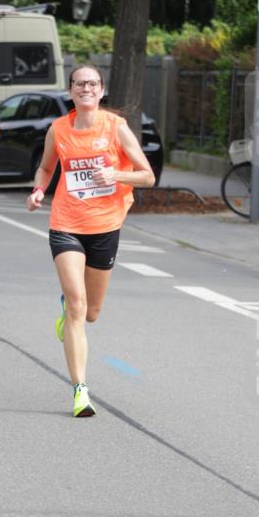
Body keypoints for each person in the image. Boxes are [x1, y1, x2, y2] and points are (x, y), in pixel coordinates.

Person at [26, 64, 155, 417]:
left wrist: (114, 173)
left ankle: (68, 314)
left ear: (101, 92)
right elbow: (47, 167)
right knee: (78, 303)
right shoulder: (59, 129)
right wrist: (39, 190)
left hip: (105, 226)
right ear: (71, 91)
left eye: (93, 84)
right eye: (80, 83)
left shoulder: (116, 128)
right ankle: (80, 390)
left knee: (91, 313)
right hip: (66, 222)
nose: (86, 89)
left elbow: (147, 176)